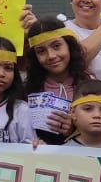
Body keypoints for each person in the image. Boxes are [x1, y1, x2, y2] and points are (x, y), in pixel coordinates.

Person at [24, 17, 88, 146]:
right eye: (41, 51)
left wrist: (74, 130)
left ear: (69, 46)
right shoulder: (27, 91)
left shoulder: (89, 85)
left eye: (57, 46)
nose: (51, 56)